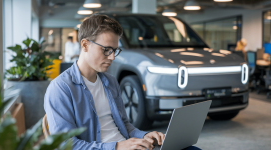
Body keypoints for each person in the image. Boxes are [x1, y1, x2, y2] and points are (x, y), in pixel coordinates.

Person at [44, 14, 201, 150]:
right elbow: (65, 145)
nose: (112, 57)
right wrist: (117, 147)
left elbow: (125, 125)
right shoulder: (61, 88)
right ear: (85, 45)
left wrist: (146, 135)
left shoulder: (110, 82)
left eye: (115, 51)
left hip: (127, 146)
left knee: (190, 148)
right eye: (106, 50)